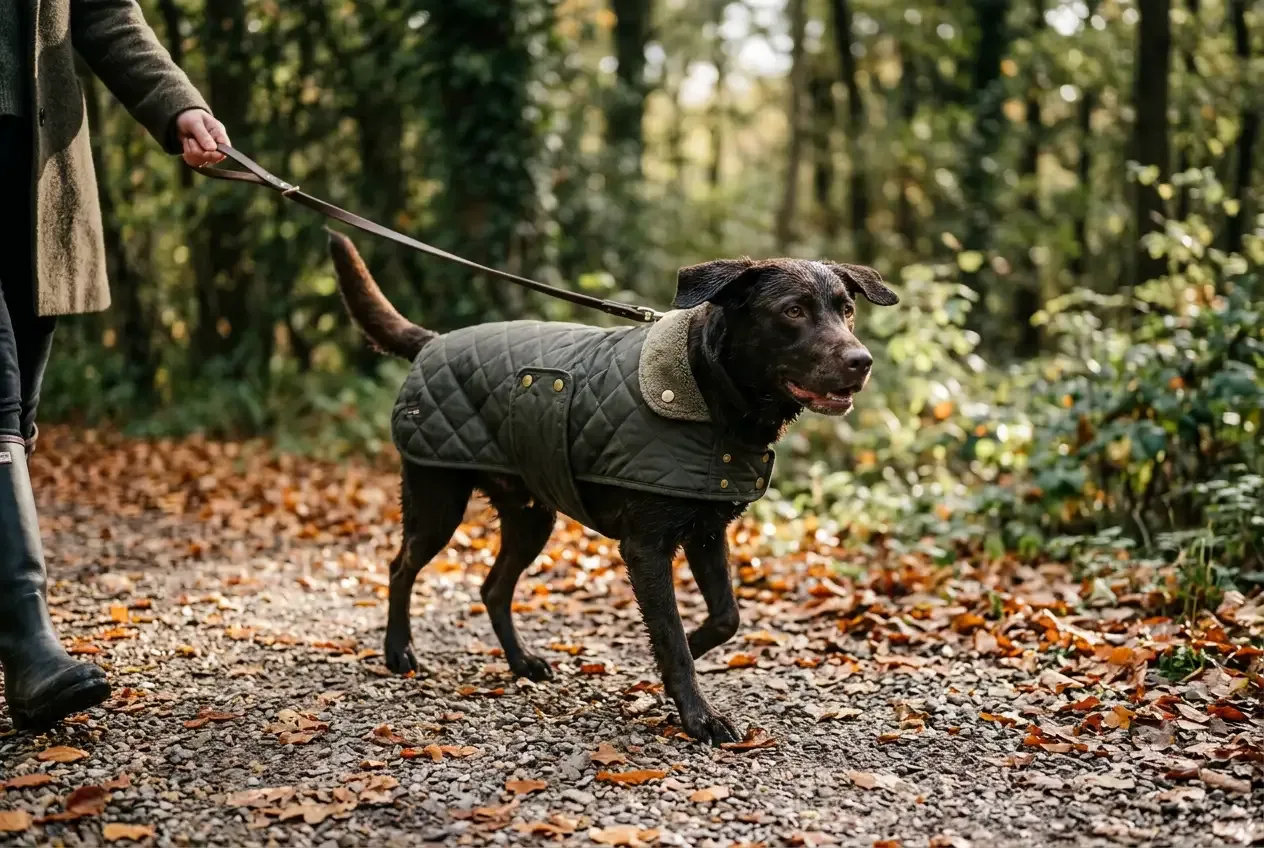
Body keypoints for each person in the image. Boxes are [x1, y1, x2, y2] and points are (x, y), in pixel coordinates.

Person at [1, 0, 229, 731]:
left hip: (34, 169)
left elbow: (100, 10)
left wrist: (177, 105)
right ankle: (29, 648)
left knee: (17, 416)